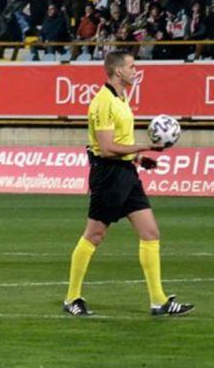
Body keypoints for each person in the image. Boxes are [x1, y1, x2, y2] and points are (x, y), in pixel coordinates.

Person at [63, 51, 194, 317]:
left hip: (126, 172)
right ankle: (72, 297)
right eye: (132, 66)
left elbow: (120, 142)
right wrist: (146, 145)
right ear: (118, 71)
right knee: (95, 235)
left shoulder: (122, 97)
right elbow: (107, 147)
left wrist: (139, 158)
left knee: (150, 232)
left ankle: (158, 301)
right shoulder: (103, 102)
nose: (136, 70)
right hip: (108, 174)